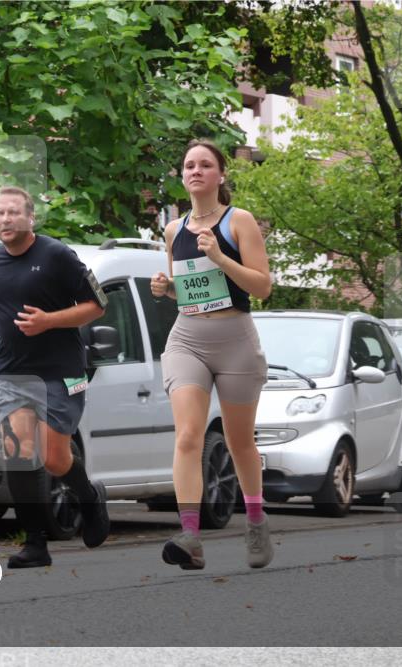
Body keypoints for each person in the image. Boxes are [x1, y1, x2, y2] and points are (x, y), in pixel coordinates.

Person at [0, 186, 111, 568]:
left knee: (55, 457)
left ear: (31, 218)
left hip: (61, 371)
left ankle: (90, 499)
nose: (5, 219)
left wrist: (49, 321)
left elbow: (97, 305)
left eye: (13, 213)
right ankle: (35, 543)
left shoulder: (56, 254)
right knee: (19, 454)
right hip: (13, 370)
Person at [150, 139, 274, 570]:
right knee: (188, 435)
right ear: (182, 177)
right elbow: (188, 288)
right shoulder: (173, 229)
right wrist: (167, 289)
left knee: (240, 441)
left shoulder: (239, 221)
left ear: (221, 175)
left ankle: (256, 522)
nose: (196, 171)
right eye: (189, 165)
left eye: (205, 164)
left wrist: (220, 256)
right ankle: (190, 535)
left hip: (235, 338)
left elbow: (262, 287)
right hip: (188, 337)